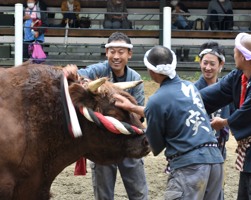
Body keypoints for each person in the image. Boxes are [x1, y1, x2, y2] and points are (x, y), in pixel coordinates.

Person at [114, 45, 224, 200]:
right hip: (215, 160)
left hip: (190, 166)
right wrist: (133, 107)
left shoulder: (156, 100)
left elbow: (156, 145)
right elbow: (170, 109)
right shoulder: (190, 87)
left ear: (151, 71)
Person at [200, 32, 251, 200]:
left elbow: (246, 115)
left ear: (245, 57)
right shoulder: (240, 75)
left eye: (237, 51)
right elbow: (213, 94)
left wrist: (223, 122)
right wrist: (186, 101)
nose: (234, 54)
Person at [69, 32, 148, 200]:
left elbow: (138, 117)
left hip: (128, 139)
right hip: (102, 144)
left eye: (121, 52)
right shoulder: (98, 70)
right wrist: (74, 74)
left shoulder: (135, 78)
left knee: (139, 193)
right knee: (103, 195)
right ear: (106, 53)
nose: (116, 56)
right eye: (112, 51)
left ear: (129, 54)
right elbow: (79, 77)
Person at [194, 41, 232, 160]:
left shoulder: (228, 90)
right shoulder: (192, 90)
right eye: (205, 63)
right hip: (197, 151)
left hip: (220, 150)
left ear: (221, 64)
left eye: (212, 64)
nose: (208, 68)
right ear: (200, 62)